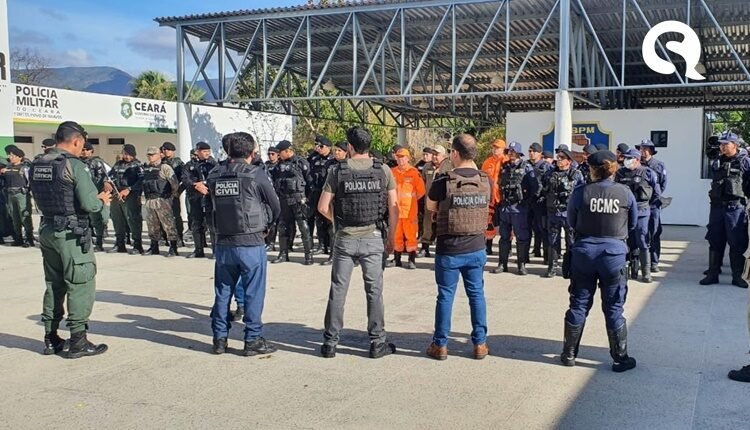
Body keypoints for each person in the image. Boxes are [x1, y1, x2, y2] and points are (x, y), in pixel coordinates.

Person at [29, 121, 112, 358]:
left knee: (54, 284)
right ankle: (78, 341)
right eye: (81, 144)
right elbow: (89, 204)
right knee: (80, 283)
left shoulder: (38, 163)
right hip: (71, 234)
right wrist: (103, 200)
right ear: (76, 141)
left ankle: (51, 338)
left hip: (47, 229)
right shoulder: (74, 165)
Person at [317, 126, 398, 359]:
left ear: (350, 147)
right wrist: (391, 238)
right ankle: (377, 342)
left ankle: (330, 343)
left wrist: (338, 222)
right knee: (374, 291)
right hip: (373, 238)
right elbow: (394, 209)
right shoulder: (383, 170)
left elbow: (322, 207)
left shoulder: (337, 171)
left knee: (338, 290)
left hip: (345, 238)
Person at [561, 150, 638, 372]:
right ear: (614, 168)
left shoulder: (580, 192)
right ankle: (620, 358)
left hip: (584, 253)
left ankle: (569, 354)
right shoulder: (625, 193)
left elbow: (571, 221)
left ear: (592, 169)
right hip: (613, 255)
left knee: (578, 303)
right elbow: (632, 224)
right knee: (613, 306)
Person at [207, 132, 281, 356]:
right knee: (253, 293)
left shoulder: (214, 174)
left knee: (222, 292)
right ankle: (252, 339)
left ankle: (219, 339)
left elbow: (209, 205)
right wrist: (269, 225)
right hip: (251, 242)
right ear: (251, 152)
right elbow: (275, 205)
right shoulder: (256, 174)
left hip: (224, 242)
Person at [425, 134, 491, 361]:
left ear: (454, 153)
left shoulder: (444, 180)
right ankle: (480, 344)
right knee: (477, 295)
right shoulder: (486, 179)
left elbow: (430, 206)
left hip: (449, 249)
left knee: (445, 296)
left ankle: (440, 345)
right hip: (476, 246)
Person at [700, 132, 750, 288]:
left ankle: (737, 276)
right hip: (717, 208)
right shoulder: (717, 161)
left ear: (735, 145)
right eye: (721, 144)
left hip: (735, 208)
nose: (722, 147)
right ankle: (713, 274)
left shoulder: (745, 161)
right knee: (715, 240)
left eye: (725, 144)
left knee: (737, 242)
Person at [492, 141, 539, 275]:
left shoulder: (526, 167)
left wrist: (526, 202)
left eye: (513, 152)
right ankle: (502, 264)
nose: (511, 154)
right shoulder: (504, 167)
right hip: (505, 207)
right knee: (504, 237)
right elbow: (499, 184)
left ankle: (521, 265)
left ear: (519, 153)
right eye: (509, 152)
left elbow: (535, 187)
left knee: (521, 237)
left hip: (519, 208)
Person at [615, 149, 660, 283]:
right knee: (625, 240)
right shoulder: (620, 173)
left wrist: (647, 206)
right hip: (624, 213)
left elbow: (656, 193)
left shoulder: (648, 173)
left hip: (641, 211)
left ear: (637, 159)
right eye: (625, 158)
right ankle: (625, 270)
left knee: (642, 239)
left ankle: (646, 272)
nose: (626, 161)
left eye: (630, 158)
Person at [542, 147, 584, 278]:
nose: (559, 160)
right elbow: (544, 189)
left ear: (569, 161)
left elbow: (581, 192)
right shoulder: (550, 173)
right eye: (558, 157)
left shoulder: (576, 174)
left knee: (571, 240)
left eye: (562, 158)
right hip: (553, 211)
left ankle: (571, 267)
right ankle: (552, 266)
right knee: (552, 240)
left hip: (569, 212)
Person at [271, 140, 314, 265]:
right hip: (284, 200)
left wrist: (307, 199)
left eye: (280, 152)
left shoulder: (300, 162)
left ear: (287, 151)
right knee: (283, 227)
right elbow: (275, 181)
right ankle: (283, 254)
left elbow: (310, 182)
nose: (279, 155)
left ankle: (308, 255)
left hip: (298, 200)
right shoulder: (278, 166)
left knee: (303, 228)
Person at [389, 148, 426, 269]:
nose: (400, 159)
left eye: (403, 157)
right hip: (395, 211)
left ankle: (411, 259)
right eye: (398, 157)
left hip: (410, 211)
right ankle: (397, 259)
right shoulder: (392, 172)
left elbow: (421, 191)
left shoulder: (414, 172)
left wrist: (410, 201)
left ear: (408, 158)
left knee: (411, 236)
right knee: (396, 236)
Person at [182, 142, 218, 259]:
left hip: (209, 197)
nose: (207, 153)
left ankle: (215, 251)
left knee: (212, 225)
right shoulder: (189, 165)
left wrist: (204, 184)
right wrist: (195, 185)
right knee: (196, 224)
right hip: (195, 198)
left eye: (208, 151)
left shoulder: (213, 164)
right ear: (198, 152)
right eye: (204, 151)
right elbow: (185, 179)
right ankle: (198, 250)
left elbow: (217, 177)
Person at [142, 146, 180, 257]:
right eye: (149, 155)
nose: (150, 157)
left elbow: (174, 184)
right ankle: (154, 246)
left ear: (159, 155)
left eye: (153, 154)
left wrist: (170, 196)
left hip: (162, 200)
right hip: (150, 200)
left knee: (168, 224)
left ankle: (173, 247)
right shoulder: (146, 169)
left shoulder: (165, 168)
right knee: (152, 225)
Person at [107, 144, 144, 254]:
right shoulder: (118, 164)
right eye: (125, 154)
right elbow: (110, 176)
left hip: (130, 195)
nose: (127, 157)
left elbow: (141, 181)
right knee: (117, 219)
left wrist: (129, 189)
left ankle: (137, 245)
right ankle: (120, 244)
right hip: (117, 195)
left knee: (133, 220)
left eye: (129, 154)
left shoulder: (137, 165)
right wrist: (107, 183)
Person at [637, 139, 667, 273]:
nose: (642, 151)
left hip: (653, 204)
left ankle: (654, 262)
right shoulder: (637, 164)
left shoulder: (658, 165)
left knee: (654, 232)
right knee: (640, 233)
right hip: (640, 204)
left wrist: (653, 197)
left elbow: (662, 184)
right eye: (641, 149)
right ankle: (641, 261)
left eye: (645, 149)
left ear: (651, 151)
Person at [80, 142, 110, 252]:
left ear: (91, 151)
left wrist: (100, 192)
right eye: (82, 150)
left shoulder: (97, 162)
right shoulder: (76, 162)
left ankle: (99, 242)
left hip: (95, 194)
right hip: (80, 194)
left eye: (86, 150)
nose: (84, 152)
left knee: (97, 219)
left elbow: (104, 177)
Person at [419, 145, 448, 257]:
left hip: (444, 201)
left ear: (443, 155)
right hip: (429, 200)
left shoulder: (449, 166)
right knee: (427, 223)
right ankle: (425, 247)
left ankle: (442, 248)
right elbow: (422, 182)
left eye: (437, 154)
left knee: (442, 224)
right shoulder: (427, 166)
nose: (435, 156)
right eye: (434, 154)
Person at [308, 135, 334, 255]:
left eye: (321, 146)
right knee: (319, 221)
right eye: (317, 146)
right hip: (317, 192)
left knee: (330, 221)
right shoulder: (314, 159)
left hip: (330, 193)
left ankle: (331, 246)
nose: (318, 148)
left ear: (328, 147)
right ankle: (322, 245)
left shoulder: (333, 160)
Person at [3, 145, 34, 247]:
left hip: (21, 194)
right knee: (14, 217)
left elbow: (30, 182)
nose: (11, 157)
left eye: (13, 156)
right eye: (10, 155)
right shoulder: (7, 167)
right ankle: (18, 238)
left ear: (19, 157)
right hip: (10, 194)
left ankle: (29, 238)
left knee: (25, 216)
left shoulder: (24, 168)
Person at [481, 139, 507, 255]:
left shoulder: (506, 162)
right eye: (494, 147)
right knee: (489, 223)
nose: (495, 149)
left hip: (503, 198)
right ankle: (488, 246)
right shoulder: (487, 162)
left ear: (503, 149)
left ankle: (507, 248)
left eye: (497, 148)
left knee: (506, 224)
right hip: (490, 197)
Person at [528, 142, 551, 263]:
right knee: (530, 229)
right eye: (530, 151)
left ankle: (547, 257)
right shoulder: (526, 165)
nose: (531, 153)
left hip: (541, 202)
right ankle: (533, 252)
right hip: (528, 201)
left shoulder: (545, 166)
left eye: (534, 151)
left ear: (540, 153)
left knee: (543, 229)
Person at [160, 142, 186, 246]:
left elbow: (185, 178)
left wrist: (178, 191)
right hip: (162, 193)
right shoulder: (161, 162)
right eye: (164, 150)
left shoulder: (178, 163)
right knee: (163, 216)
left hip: (173, 193)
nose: (166, 151)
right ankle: (165, 237)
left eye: (168, 150)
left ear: (173, 151)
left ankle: (179, 237)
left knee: (175, 216)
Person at [264, 145, 280, 252]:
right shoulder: (265, 166)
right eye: (269, 154)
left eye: (272, 154)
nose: (270, 156)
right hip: (268, 196)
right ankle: (269, 242)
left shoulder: (280, 165)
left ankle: (286, 244)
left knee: (279, 222)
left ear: (277, 155)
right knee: (268, 220)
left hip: (279, 195)